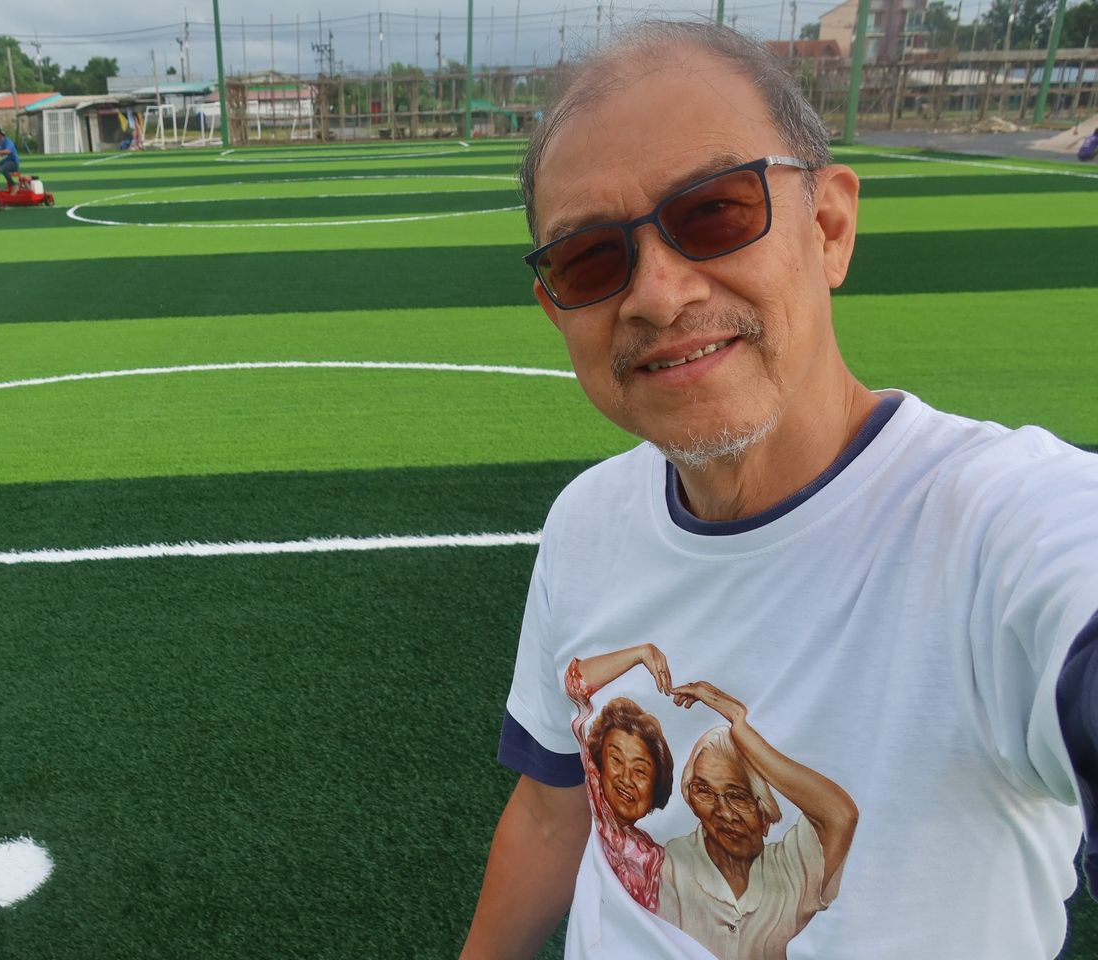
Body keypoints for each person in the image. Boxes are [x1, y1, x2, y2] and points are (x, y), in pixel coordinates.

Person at [460, 18, 1098, 960]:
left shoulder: (1001, 526)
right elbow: (557, 812)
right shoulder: (587, 520)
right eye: (589, 259)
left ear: (830, 228)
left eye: (715, 212)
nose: (658, 294)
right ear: (557, 308)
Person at [658, 684, 857, 960]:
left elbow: (840, 815)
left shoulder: (791, 869)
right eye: (704, 792)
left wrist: (741, 727)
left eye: (738, 797)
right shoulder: (671, 862)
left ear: (765, 815)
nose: (724, 813)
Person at [565, 645, 677, 911]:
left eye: (640, 771)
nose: (626, 779)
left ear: (657, 786)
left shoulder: (655, 858)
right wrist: (639, 654)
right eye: (616, 760)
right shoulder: (598, 792)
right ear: (599, 764)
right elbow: (576, 681)